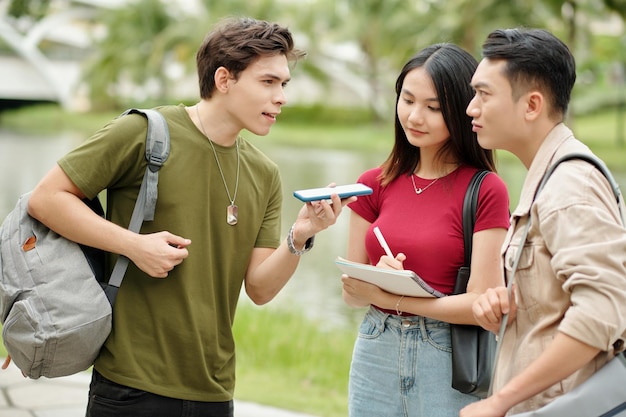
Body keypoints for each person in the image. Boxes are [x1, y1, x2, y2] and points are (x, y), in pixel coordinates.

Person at [15, 17, 353, 417]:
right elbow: (46, 199)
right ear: (224, 79)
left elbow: (260, 289)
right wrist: (135, 246)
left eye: (284, 84)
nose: (281, 97)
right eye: (268, 82)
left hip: (214, 390)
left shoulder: (265, 173)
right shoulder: (144, 132)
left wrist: (301, 235)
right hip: (130, 385)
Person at [460, 28, 626, 417]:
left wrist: (500, 401)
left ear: (531, 105)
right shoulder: (549, 178)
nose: (471, 107)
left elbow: (602, 311)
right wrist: (510, 303)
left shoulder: (569, 188)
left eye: (483, 94)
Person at [341, 43, 511, 417]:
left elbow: (481, 303)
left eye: (433, 107)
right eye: (407, 100)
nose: (415, 116)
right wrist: (379, 286)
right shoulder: (373, 184)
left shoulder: (484, 189)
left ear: (462, 110)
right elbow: (353, 293)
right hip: (376, 348)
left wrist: (395, 296)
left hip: (448, 356)